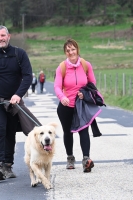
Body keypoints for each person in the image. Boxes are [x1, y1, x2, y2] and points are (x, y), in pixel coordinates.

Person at [0, 25, 33, 181]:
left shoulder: (19, 54)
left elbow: (28, 76)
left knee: (10, 131)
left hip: (14, 100)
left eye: (3, 35)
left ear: (9, 36)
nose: (1, 38)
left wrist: (18, 95)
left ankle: (8, 165)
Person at [54, 38, 96, 173]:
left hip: (81, 105)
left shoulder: (85, 65)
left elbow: (92, 84)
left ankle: (86, 160)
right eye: (68, 50)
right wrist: (62, 97)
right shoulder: (62, 67)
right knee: (68, 132)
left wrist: (85, 93)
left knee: (84, 130)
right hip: (66, 105)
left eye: (73, 49)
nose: (71, 52)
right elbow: (57, 86)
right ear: (65, 53)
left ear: (77, 50)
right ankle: (70, 158)